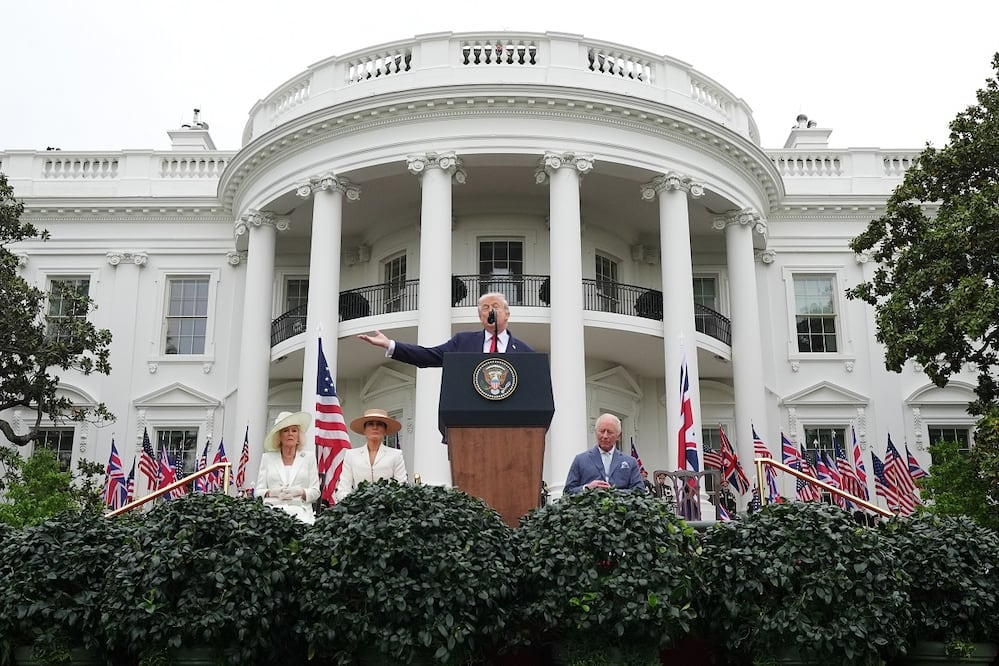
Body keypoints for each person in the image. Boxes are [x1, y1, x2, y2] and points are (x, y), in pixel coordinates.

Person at [357, 292, 533, 367]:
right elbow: (427, 356)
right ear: (480, 317)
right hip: (469, 420)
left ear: (507, 314)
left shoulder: (525, 352)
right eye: (485, 308)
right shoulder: (463, 342)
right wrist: (390, 345)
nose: (490, 311)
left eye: (495, 306)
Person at [256, 411, 321, 524]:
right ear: (279, 436)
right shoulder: (267, 458)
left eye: (294, 430)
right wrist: (272, 492)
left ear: (298, 436)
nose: (290, 434)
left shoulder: (309, 458)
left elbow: (315, 492)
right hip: (272, 513)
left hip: (302, 514)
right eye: (285, 430)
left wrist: (300, 491)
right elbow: (258, 492)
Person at [333, 408, 408, 502]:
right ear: (364, 430)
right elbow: (343, 489)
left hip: (386, 507)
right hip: (358, 507)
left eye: (379, 424)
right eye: (370, 424)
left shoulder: (396, 455)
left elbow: (402, 487)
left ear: (385, 430)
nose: (375, 427)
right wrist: (353, 502)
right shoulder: (351, 455)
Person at [563, 414, 644, 494]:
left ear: (618, 436)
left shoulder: (631, 462)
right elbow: (568, 491)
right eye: (602, 431)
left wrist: (614, 492)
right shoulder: (580, 460)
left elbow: (639, 491)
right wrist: (587, 488)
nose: (605, 436)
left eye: (610, 432)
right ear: (596, 432)